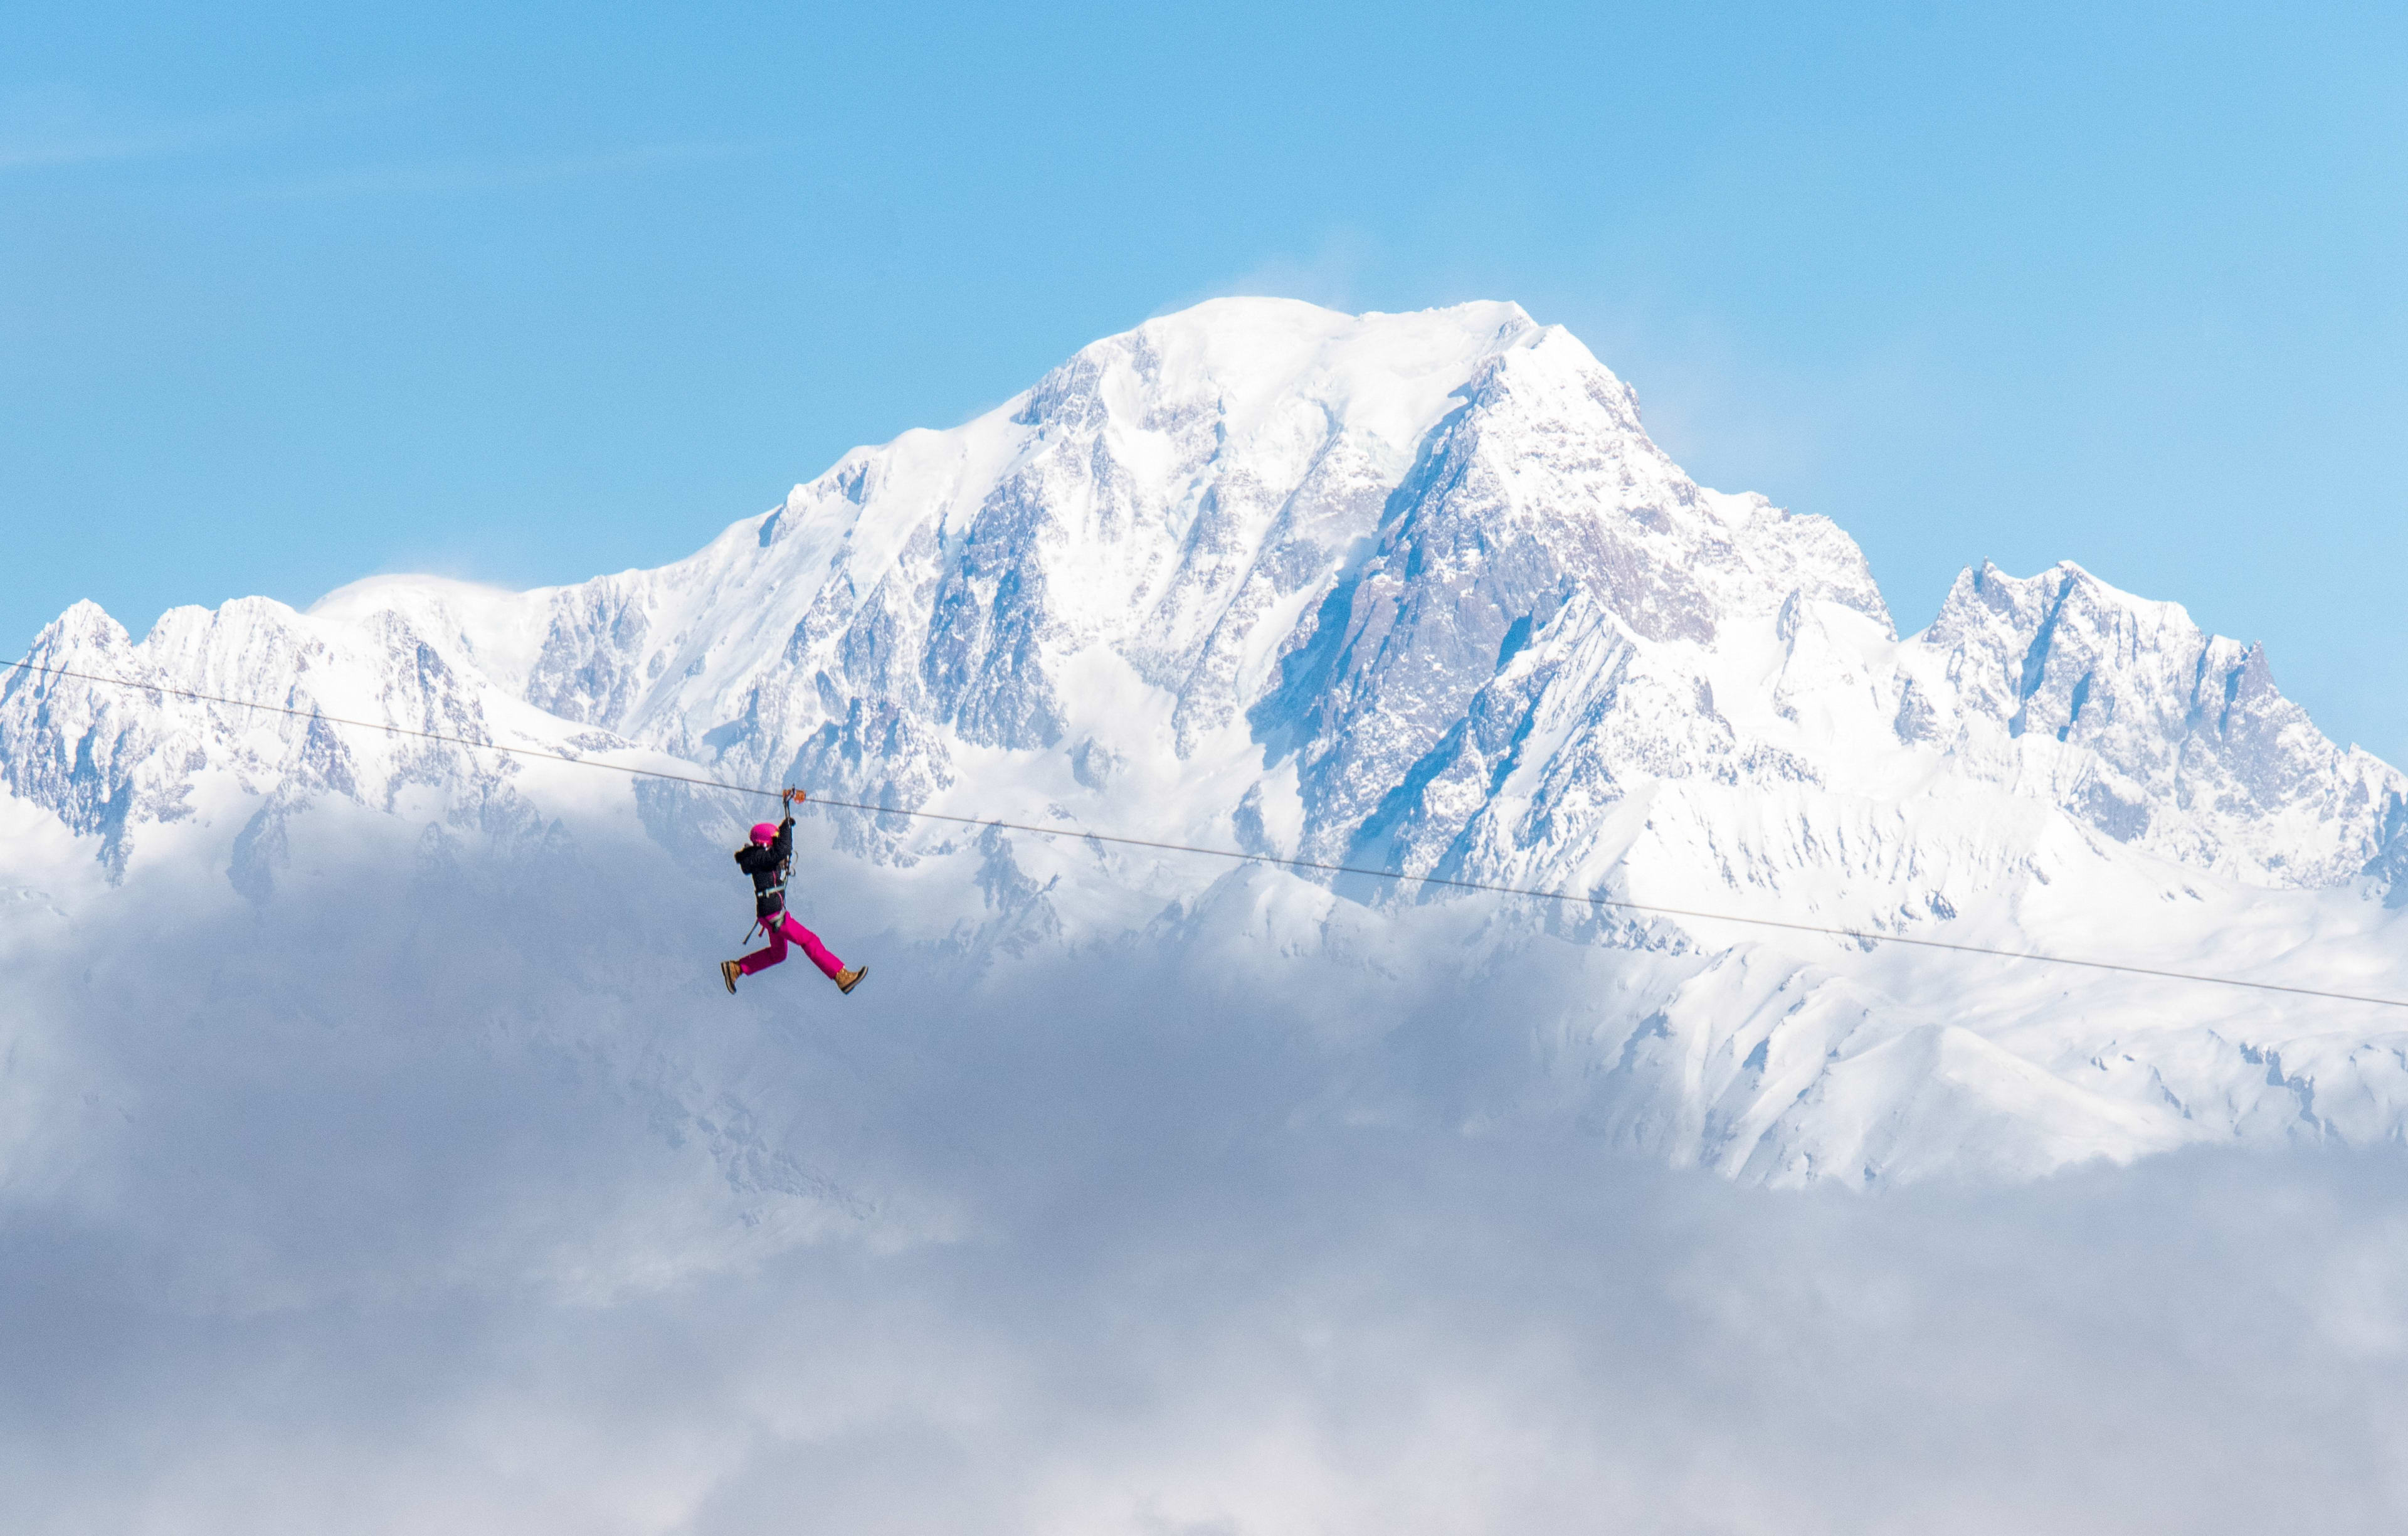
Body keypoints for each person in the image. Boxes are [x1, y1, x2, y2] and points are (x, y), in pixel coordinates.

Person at [721, 787, 866, 996]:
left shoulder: (758, 856)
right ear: (765, 844)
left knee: (778, 955)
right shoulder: (761, 858)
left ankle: (736, 968)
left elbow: (779, 849)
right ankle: (841, 976)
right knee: (810, 941)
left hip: (769, 915)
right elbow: (782, 850)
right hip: (774, 915)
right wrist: (787, 826)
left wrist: (784, 823)